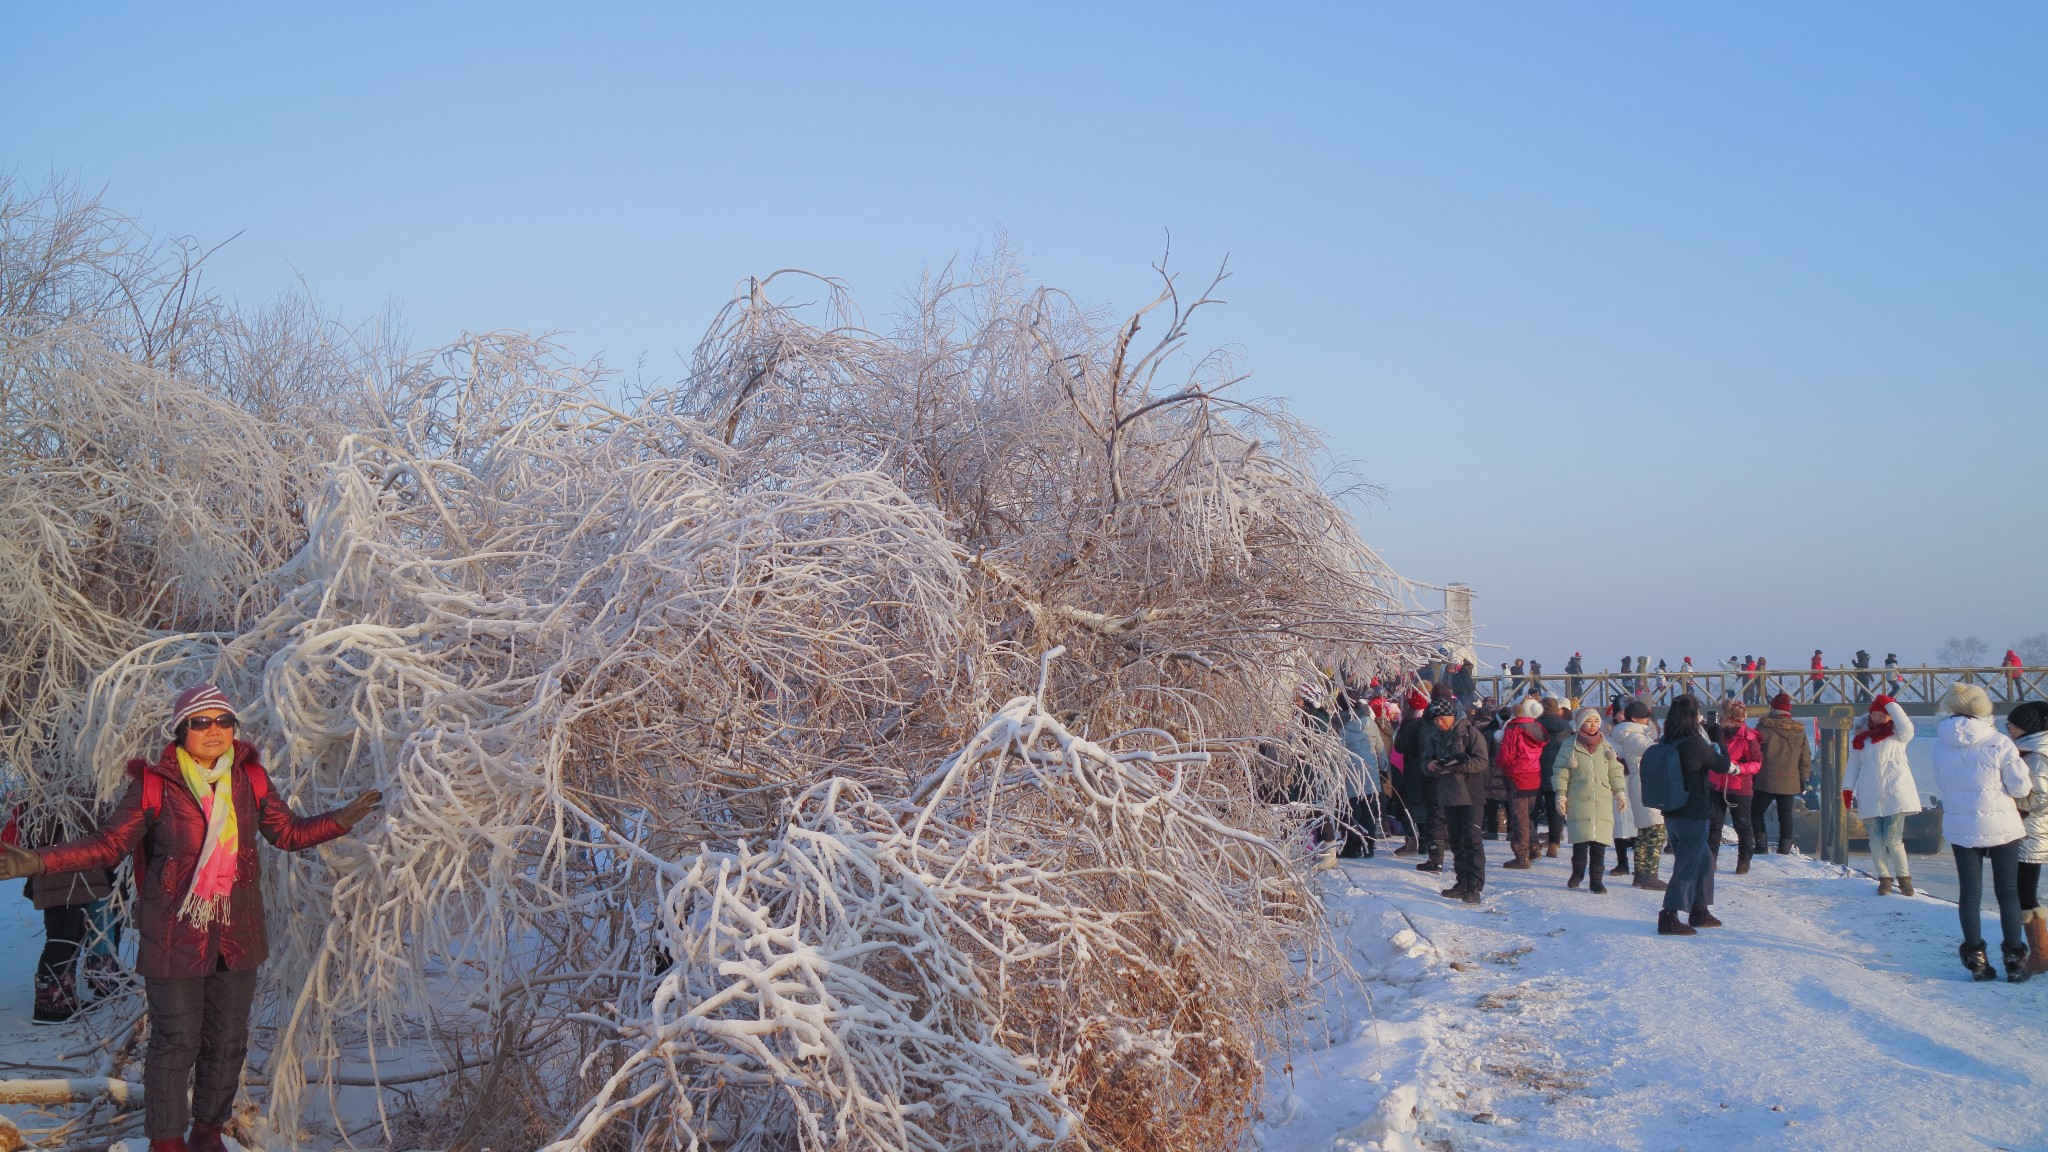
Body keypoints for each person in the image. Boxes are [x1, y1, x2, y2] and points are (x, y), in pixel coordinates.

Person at [0, 685, 383, 1152]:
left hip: (236, 933)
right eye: (202, 722)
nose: (214, 730)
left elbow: (287, 833)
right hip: (173, 934)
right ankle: (166, 1140)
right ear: (181, 729)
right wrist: (39, 861)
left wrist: (339, 820)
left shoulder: (251, 780)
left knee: (227, 1040)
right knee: (175, 1041)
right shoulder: (155, 784)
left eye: (224, 721)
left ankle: (207, 1131)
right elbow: (109, 844)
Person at [1931, 683, 2033, 982]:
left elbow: (1942, 784)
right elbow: (2021, 787)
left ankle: (1976, 960)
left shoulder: (1941, 743)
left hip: (1962, 826)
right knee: (2009, 894)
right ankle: (2014, 960)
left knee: (1970, 895)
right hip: (2002, 826)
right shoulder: (1999, 742)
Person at [1654, 695, 1734, 936]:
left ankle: (1699, 909)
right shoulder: (1695, 744)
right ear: (1693, 716)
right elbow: (1722, 764)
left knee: (1704, 861)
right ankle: (1668, 916)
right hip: (1693, 813)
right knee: (1687, 866)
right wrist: (1717, 736)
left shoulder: (1667, 740)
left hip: (1672, 813)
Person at [1843, 695, 1920, 896]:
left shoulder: (1898, 736)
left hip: (1895, 794)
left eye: (1882, 715)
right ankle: (1884, 879)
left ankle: (1904, 878)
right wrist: (1847, 788)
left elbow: (1907, 725)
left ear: (1889, 717)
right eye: (1874, 714)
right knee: (1876, 840)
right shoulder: (1862, 740)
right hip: (1870, 793)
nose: (1877, 718)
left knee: (1893, 839)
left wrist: (1890, 704)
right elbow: (1853, 766)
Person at [1419, 699, 1491, 904]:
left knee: (1472, 841)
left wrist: (1457, 765)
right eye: (1436, 721)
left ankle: (1474, 886)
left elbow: (1482, 761)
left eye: (1442, 719)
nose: (1440, 723)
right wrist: (1430, 765)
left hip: (1470, 794)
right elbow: (1424, 762)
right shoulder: (1434, 736)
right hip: (1448, 794)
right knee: (1457, 841)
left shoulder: (1470, 733)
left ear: (1452, 715)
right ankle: (1462, 881)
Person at [1554, 708, 1626, 893]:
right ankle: (1577, 873)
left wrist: (1619, 793)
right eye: (1588, 721)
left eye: (1596, 721)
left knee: (1599, 844)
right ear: (1579, 724)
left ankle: (1597, 881)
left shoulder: (1606, 746)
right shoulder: (1570, 745)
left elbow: (1615, 771)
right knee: (1581, 842)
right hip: (1579, 799)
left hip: (1601, 800)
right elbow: (1561, 771)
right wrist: (1561, 794)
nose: (1593, 725)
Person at [1610, 700, 1666, 889]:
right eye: (1645, 718)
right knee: (1656, 831)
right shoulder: (1634, 738)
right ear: (1635, 719)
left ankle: (1641, 875)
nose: (1648, 721)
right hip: (1645, 784)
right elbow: (1658, 752)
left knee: (1643, 832)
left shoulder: (1628, 735)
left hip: (1639, 783)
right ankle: (1650, 875)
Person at [2010, 702, 2048, 975]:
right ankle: (2040, 954)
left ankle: (2039, 956)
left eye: (2011, 724)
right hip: (2030, 831)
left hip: (2031, 832)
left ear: (2027, 727)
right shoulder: (2031, 751)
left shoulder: (2035, 755)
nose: (2008, 728)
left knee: (2024, 893)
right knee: (2024, 892)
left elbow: (2042, 797)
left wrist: (2014, 804)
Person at [1752, 693, 1811, 855]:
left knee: (1756, 812)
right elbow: (1805, 758)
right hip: (1790, 781)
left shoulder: (1762, 729)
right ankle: (1784, 849)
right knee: (1785, 815)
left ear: (1772, 708)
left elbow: (1754, 754)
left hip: (1766, 779)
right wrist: (1804, 779)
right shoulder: (1800, 732)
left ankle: (1761, 845)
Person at [1710, 700, 1761, 875]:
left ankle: (1743, 862)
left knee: (1743, 825)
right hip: (1716, 784)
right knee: (1714, 825)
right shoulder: (1715, 733)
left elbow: (1757, 764)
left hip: (1739, 786)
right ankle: (1710, 861)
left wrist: (1738, 768)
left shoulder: (1749, 737)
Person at [1495, 699, 1548, 869]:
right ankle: (1533, 848)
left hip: (1516, 776)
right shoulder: (1538, 729)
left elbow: (1506, 756)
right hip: (1534, 775)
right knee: (1526, 815)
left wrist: (1499, 763)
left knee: (1519, 818)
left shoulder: (1513, 730)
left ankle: (1521, 855)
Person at [1335, 682, 1384, 859]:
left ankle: (1354, 846)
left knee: (1353, 812)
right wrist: (1383, 768)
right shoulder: (1370, 723)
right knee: (1370, 811)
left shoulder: (1343, 727)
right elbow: (1380, 747)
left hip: (1352, 776)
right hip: (1371, 774)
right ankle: (1369, 846)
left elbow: (1339, 752)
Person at [1391, 689, 1435, 863]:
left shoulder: (1411, 724)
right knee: (1425, 803)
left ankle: (1412, 839)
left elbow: (1400, 746)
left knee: (1409, 804)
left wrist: (1401, 730)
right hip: (1429, 770)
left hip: (1413, 769)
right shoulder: (1431, 723)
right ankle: (1424, 840)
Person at [1535, 697, 1572, 857]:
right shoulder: (1567, 726)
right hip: (1558, 772)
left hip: (1536, 771)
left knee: (1533, 809)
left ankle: (1532, 842)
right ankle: (1553, 844)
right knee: (1556, 809)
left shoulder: (1536, 725)